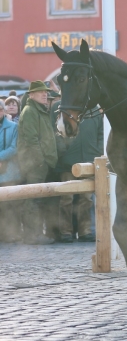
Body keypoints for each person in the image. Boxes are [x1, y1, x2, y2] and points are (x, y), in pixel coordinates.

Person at [16, 81, 57, 244]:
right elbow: (31, 140)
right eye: (41, 92)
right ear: (31, 95)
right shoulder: (30, 111)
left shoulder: (39, 110)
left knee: (36, 199)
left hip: (40, 163)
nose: (45, 94)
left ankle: (36, 234)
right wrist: (41, 161)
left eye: (46, 92)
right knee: (33, 200)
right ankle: (32, 235)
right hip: (34, 164)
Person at [54, 107, 103, 242]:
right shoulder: (62, 108)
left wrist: (97, 152)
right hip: (67, 163)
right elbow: (56, 133)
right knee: (66, 199)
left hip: (89, 161)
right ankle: (65, 232)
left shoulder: (95, 112)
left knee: (87, 199)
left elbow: (101, 134)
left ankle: (85, 231)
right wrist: (64, 152)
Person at [0, 99, 23, 242]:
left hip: (10, 173)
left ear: (3, 111)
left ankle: (13, 233)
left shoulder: (14, 127)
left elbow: (14, 148)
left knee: (12, 205)